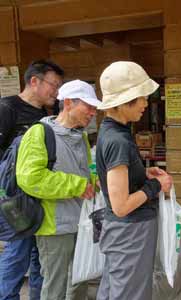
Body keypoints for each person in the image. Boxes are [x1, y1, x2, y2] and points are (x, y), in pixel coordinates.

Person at [15, 80, 101, 300]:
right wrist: (78, 185)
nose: (93, 112)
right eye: (88, 106)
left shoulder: (80, 136)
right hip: (54, 228)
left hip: (81, 222)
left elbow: (83, 173)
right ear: (69, 103)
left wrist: (95, 182)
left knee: (79, 281)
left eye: (94, 108)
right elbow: (30, 178)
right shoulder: (39, 132)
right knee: (56, 287)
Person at [96, 61, 172, 300]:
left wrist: (142, 175)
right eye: (140, 97)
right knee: (131, 293)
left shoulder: (113, 131)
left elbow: (115, 181)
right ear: (123, 101)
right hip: (130, 232)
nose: (145, 103)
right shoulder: (118, 140)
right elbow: (121, 206)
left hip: (123, 232)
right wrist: (155, 186)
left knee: (115, 289)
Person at [0, 59, 64, 300]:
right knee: (17, 254)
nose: (56, 92)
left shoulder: (45, 113)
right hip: (16, 200)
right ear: (34, 81)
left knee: (40, 258)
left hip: (40, 198)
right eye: (54, 85)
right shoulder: (7, 108)